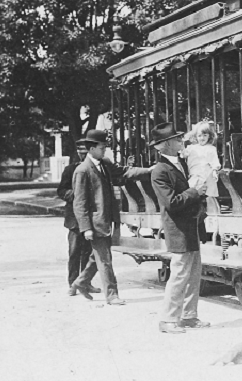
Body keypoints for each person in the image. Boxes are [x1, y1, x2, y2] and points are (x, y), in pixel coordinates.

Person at [69, 129, 145, 305]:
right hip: (95, 224)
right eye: (102, 147)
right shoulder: (82, 171)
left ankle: (81, 282)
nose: (105, 150)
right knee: (105, 259)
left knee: (98, 256)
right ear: (92, 148)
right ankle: (112, 295)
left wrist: (148, 171)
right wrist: (86, 228)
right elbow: (79, 203)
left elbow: (124, 172)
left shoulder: (104, 164)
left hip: (106, 220)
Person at [150, 122, 210, 334]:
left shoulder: (179, 163)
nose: (180, 141)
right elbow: (171, 203)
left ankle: (188, 316)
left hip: (191, 226)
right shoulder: (160, 171)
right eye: (175, 139)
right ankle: (167, 320)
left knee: (193, 273)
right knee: (179, 275)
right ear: (162, 145)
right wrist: (195, 191)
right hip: (178, 229)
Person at [58, 142, 99, 296]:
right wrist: (75, 195)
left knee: (88, 252)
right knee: (74, 251)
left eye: (85, 150)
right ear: (77, 151)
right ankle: (73, 283)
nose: (82, 154)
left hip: (90, 216)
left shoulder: (94, 168)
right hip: (74, 219)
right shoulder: (70, 169)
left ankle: (86, 283)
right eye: (80, 151)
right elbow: (61, 190)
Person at [183, 121, 221, 198]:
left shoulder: (211, 149)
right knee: (194, 189)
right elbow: (184, 154)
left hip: (206, 173)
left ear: (209, 136)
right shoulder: (191, 148)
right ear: (195, 136)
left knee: (208, 191)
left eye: (205, 135)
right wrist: (182, 147)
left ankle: (210, 203)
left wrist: (214, 170)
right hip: (194, 173)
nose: (202, 138)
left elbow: (214, 161)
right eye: (199, 136)